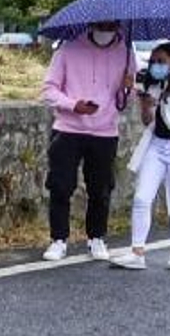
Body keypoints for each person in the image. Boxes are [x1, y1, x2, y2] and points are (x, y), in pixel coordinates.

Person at [41, 20, 134, 262]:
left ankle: (96, 238)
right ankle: (59, 239)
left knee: (101, 188)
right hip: (68, 128)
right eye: (102, 25)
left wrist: (127, 88)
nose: (107, 30)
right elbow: (49, 91)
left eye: (113, 26)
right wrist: (73, 105)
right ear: (92, 24)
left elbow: (126, 100)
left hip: (105, 131)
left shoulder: (126, 51)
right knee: (61, 185)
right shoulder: (68, 48)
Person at [110, 42, 170, 271]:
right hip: (156, 146)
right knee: (142, 197)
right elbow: (147, 122)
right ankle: (137, 252)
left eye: (162, 61)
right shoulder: (152, 86)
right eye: (153, 62)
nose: (156, 66)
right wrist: (145, 106)